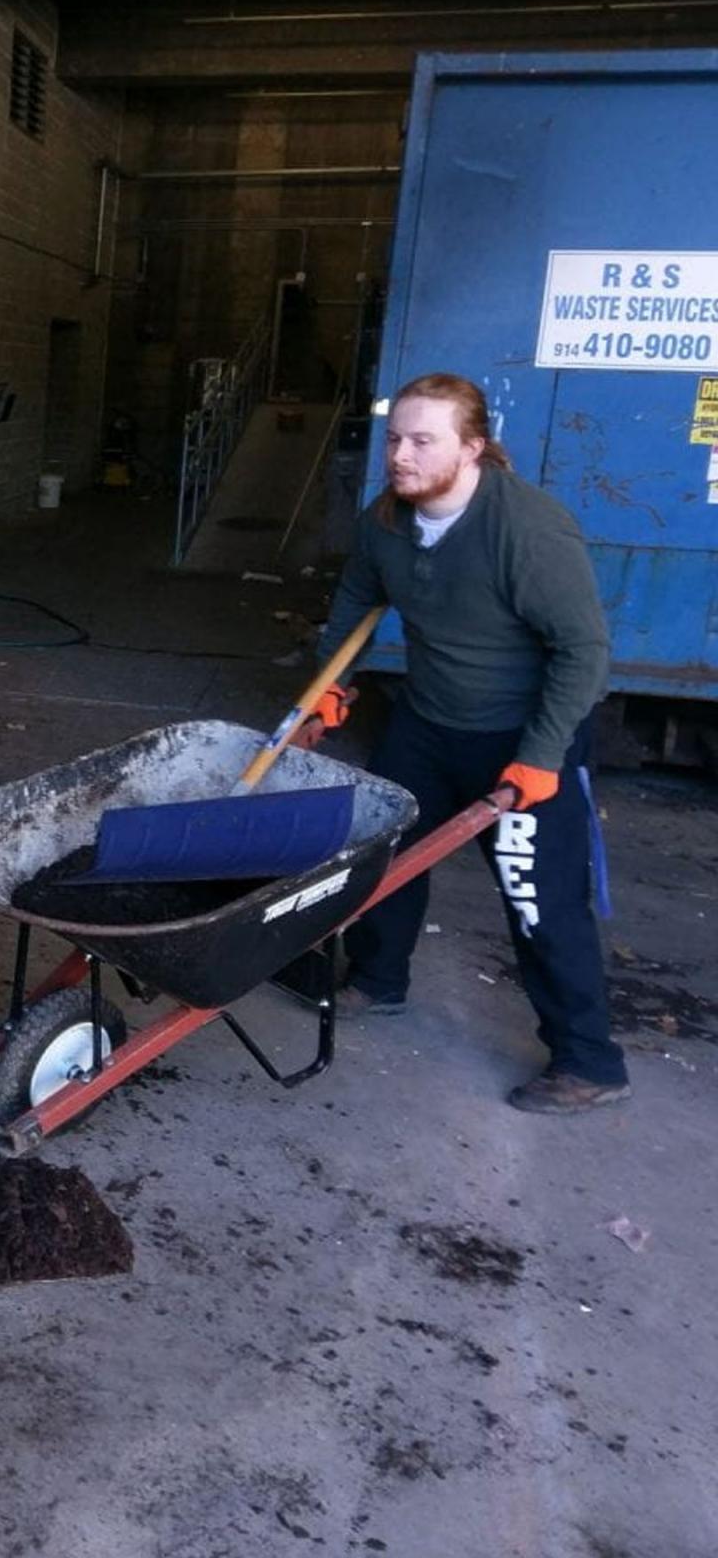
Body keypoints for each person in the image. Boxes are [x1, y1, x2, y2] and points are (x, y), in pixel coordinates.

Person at [312, 372, 627, 1115]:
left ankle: (590, 1061)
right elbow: (358, 595)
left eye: (423, 441)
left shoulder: (526, 528)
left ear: (474, 447)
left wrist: (543, 756)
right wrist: (331, 682)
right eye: (395, 439)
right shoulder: (387, 518)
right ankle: (378, 982)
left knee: (538, 897)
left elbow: (584, 651)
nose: (400, 455)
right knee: (384, 850)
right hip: (427, 720)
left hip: (524, 733)